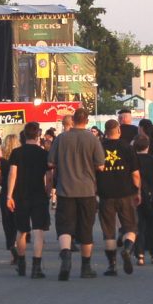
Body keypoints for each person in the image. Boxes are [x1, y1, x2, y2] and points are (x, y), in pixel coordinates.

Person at [48, 107, 105, 280]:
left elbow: (50, 163)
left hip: (65, 189)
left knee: (65, 227)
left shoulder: (61, 138)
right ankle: (86, 267)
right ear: (87, 121)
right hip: (87, 190)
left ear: (72, 120)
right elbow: (101, 166)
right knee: (86, 228)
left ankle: (66, 256)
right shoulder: (93, 139)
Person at [6, 122, 52, 278]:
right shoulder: (43, 153)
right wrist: (48, 192)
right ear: (38, 135)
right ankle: (36, 267)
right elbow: (49, 176)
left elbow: (13, 174)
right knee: (39, 231)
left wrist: (9, 195)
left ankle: (21, 263)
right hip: (38, 194)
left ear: (24, 135)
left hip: (20, 195)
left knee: (22, 230)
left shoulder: (16, 153)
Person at [97, 119, 140, 276]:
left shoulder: (99, 147)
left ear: (105, 131)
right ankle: (127, 249)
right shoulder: (127, 147)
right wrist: (138, 191)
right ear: (119, 131)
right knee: (130, 227)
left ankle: (112, 265)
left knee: (109, 231)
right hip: (126, 193)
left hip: (105, 194)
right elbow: (135, 174)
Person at [133, 133, 153, 265]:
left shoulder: (132, 160)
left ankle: (140, 255)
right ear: (148, 146)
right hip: (152, 195)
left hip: (136, 196)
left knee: (139, 226)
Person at [0, 134, 20, 265]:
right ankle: (20, 248)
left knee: (8, 222)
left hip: (6, 192)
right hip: (20, 193)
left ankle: (12, 246)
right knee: (19, 221)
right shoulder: (21, 159)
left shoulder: (2, 161)